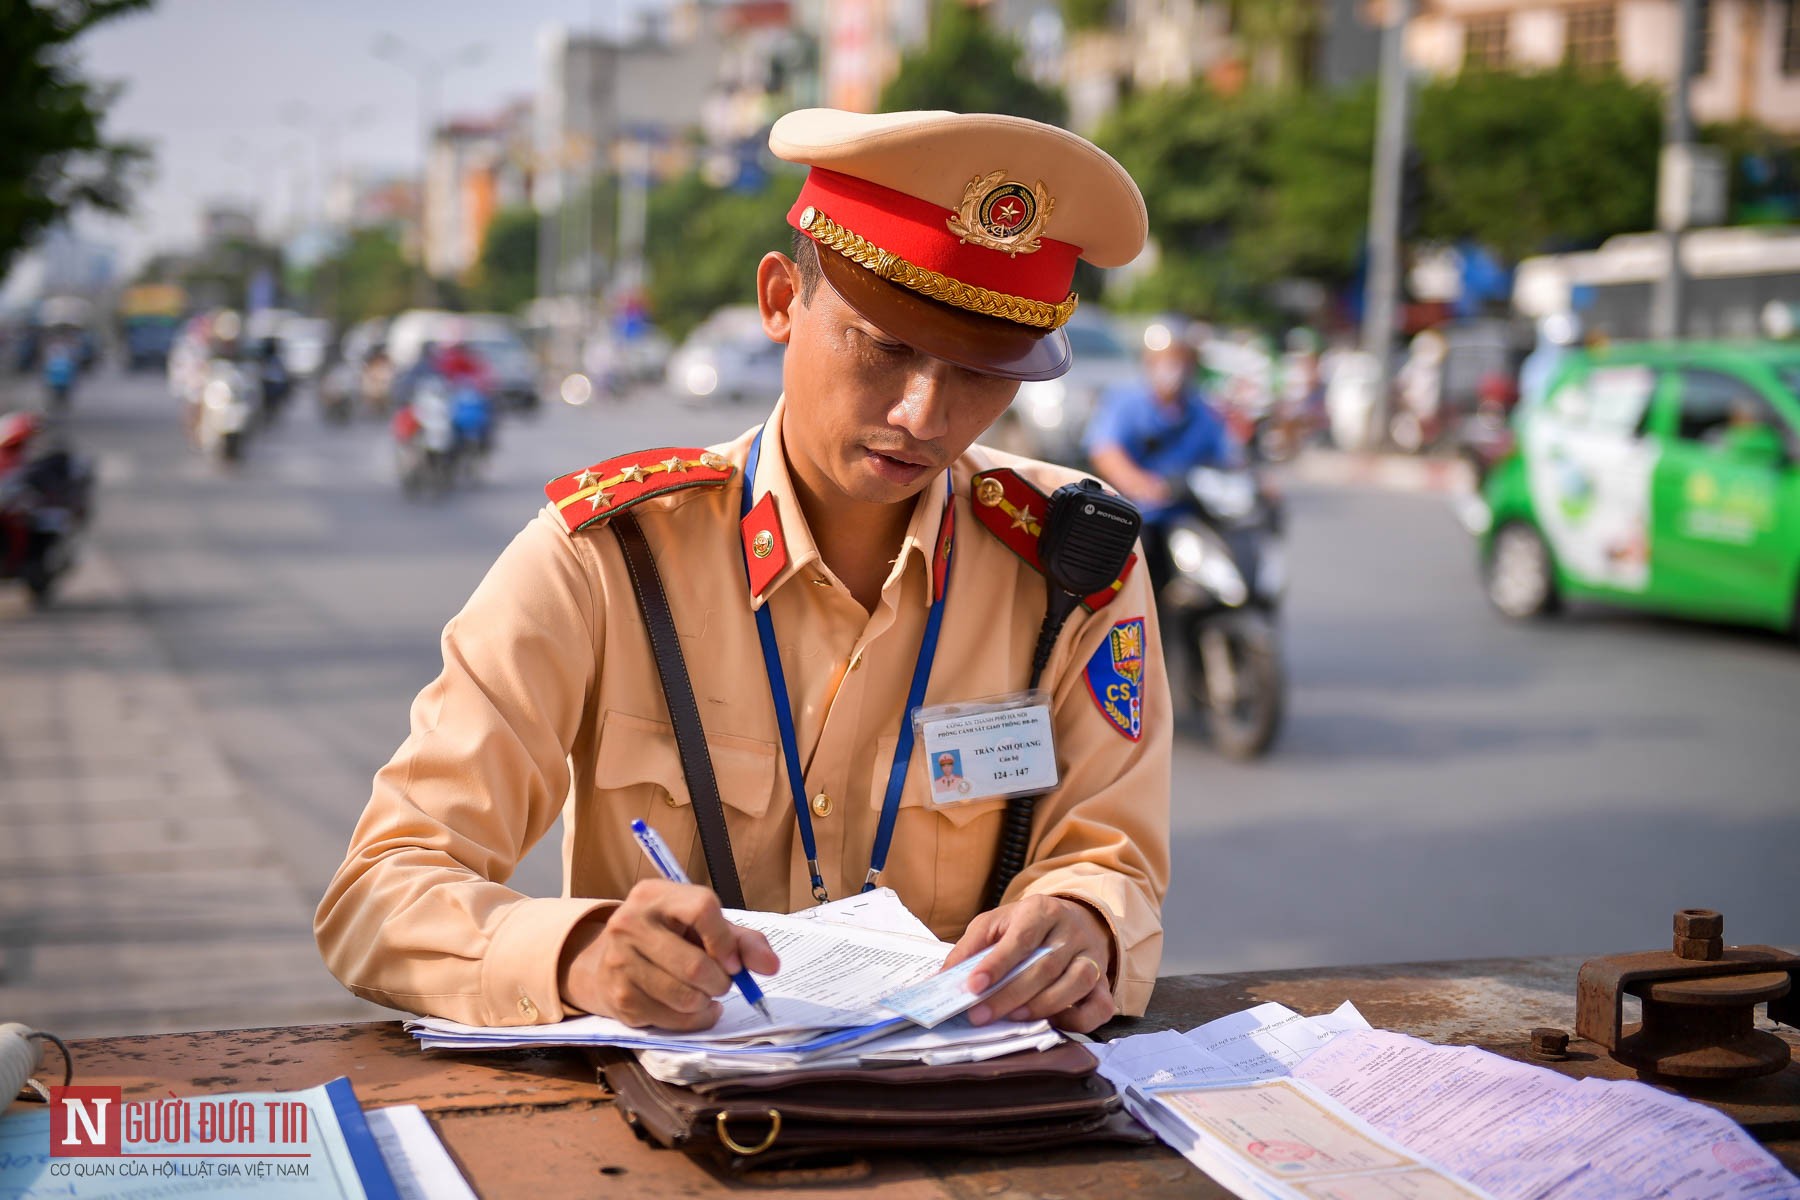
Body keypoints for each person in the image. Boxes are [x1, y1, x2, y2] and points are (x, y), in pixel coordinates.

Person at [315, 109, 1171, 1036]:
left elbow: (1109, 859)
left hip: (960, 1119)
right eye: (884, 347)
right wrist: (582, 957)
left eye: (981, 368)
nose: (926, 414)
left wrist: (1085, 925)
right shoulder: (611, 559)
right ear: (778, 301)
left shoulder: (1068, 568)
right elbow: (379, 892)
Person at [1084, 328, 1241, 590]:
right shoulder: (1126, 402)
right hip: (1140, 517)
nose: (1172, 367)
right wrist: (1142, 485)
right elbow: (1105, 451)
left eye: (1180, 359)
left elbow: (1228, 457)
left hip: (1189, 516)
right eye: (1164, 359)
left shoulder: (1201, 409)